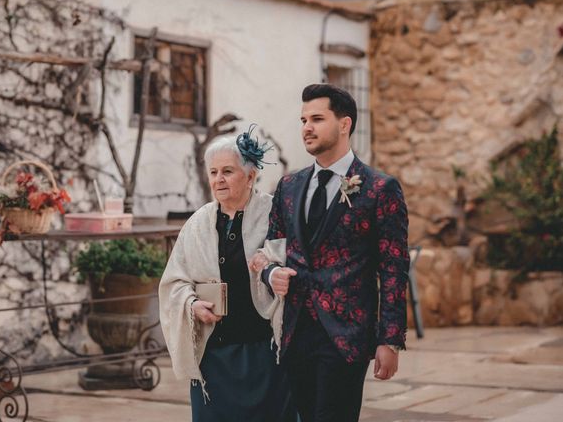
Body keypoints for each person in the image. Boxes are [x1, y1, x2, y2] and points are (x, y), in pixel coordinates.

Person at [253, 83, 409, 422]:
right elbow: (270, 250)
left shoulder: (379, 188)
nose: (306, 127)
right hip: (295, 332)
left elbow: (394, 269)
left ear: (344, 124)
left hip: (346, 335)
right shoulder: (289, 187)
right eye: (303, 119)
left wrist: (390, 339)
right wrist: (270, 274)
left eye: (317, 119)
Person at [158, 128, 295, 422]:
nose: (218, 179)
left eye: (228, 171)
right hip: (214, 359)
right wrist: (192, 304)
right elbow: (174, 282)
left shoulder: (275, 214)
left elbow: (291, 263)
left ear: (250, 176)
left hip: (266, 357)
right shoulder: (198, 223)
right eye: (213, 172)